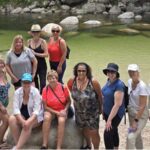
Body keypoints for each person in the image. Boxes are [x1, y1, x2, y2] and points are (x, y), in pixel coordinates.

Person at [67, 62, 102, 150]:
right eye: (79, 71)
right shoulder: (72, 81)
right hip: (79, 112)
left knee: (94, 132)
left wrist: (101, 108)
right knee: (84, 129)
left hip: (92, 112)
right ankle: (88, 145)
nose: (81, 73)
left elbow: (100, 96)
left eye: (83, 71)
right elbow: (71, 91)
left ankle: (96, 148)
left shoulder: (93, 82)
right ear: (76, 71)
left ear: (87, 72)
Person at [9, 73, 44, 150]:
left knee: (28, 124)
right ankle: (18, 144)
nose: (26, 84)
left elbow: (36, 110)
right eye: (24, 82)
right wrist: (22, 121)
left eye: (28, 82)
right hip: (22, 116)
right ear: (21, 82)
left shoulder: (36, 92)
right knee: (11, 119)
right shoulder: (17, 92)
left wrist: (27, 122)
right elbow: (16, 109)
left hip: (35, 117)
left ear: (31, 83)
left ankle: (17, 148)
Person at [41, 70, 70, 149]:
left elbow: (69, 101)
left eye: (53, 78)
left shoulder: (63, 87)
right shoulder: (45, 89)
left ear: (57, 79)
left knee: (61, 121)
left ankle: (58, 146)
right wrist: (56, 113)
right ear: (47, 80)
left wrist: (65, 110)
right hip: (50, 109)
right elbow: (45, 106)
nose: (52, 80)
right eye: (50, 78)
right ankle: (44, 144)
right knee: (46, 117)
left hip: (62, 109)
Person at [102, 63, 125, 149]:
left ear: (116, 73)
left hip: (116, 114)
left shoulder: (119, 85)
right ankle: (116, 148)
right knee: (114, 131)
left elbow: (117, 104)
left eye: (113, 72)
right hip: (108, 112)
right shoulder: (108, 81)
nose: (110, 73)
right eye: (109, 71)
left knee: (107, 134)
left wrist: (109, 120)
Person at [126, 64, 149, 149]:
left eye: (133, 71)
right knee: (137, 137)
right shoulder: (129, 81)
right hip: (132, 113)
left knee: (130, 137)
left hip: (140, 115)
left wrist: (135, 121)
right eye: (130, 71)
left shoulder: (142, 86)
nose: (131, 73)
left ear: (138, 72)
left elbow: (142, 106)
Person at [27, 24, 48, 94]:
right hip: (32, 65)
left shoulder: (43, 42)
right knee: (34, 83)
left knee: (43, 83)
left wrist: (35, 54)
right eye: (34, 32)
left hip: (42, 65)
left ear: (39, 33)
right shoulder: (29, 41)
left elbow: (46, 54)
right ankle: (36, 97)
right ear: (31, 33)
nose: (35, 33)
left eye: (37, 32)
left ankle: (42, 97)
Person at [0, 59, 10, 145]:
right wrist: (1, 106)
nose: (1, 65)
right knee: (6, 121)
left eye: (2, 63)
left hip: (4, 103)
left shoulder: (4, 74)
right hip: (0, 105)